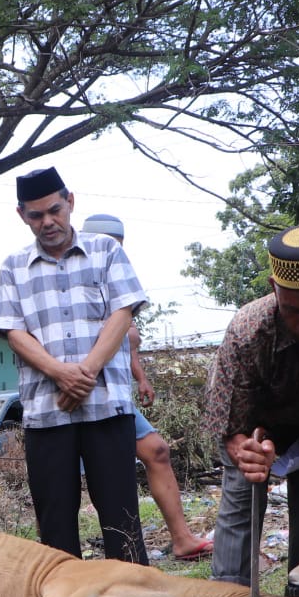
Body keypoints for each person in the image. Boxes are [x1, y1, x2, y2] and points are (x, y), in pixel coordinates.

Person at [0, 166, 148, 564]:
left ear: (70, 202)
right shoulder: (13, 266)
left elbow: (123, 313)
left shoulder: (105, 251)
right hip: (47, 413)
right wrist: (60, 373)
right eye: (36, 215)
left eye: (55, 210)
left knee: (121, 517)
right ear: (22, 215)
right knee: (55, 520)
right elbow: (13, 333)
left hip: (106, 406)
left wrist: (86, 372)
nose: (48, 222)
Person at [200, 225, 299, 590]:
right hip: (258, 428)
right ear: (272, 286)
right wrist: (245, 451)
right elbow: (230, 425)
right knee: (242, 496)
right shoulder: (248, 331)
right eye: (294, 311)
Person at [81, 213, 211, 560]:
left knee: (157, 451)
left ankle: (182, 538)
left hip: (118, 394)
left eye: (119, 245)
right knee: (110, 474)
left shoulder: (117, 278)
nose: (114, 251)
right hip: (87, 394)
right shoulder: (78, 281)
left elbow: (126, 342)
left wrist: (140, 377)